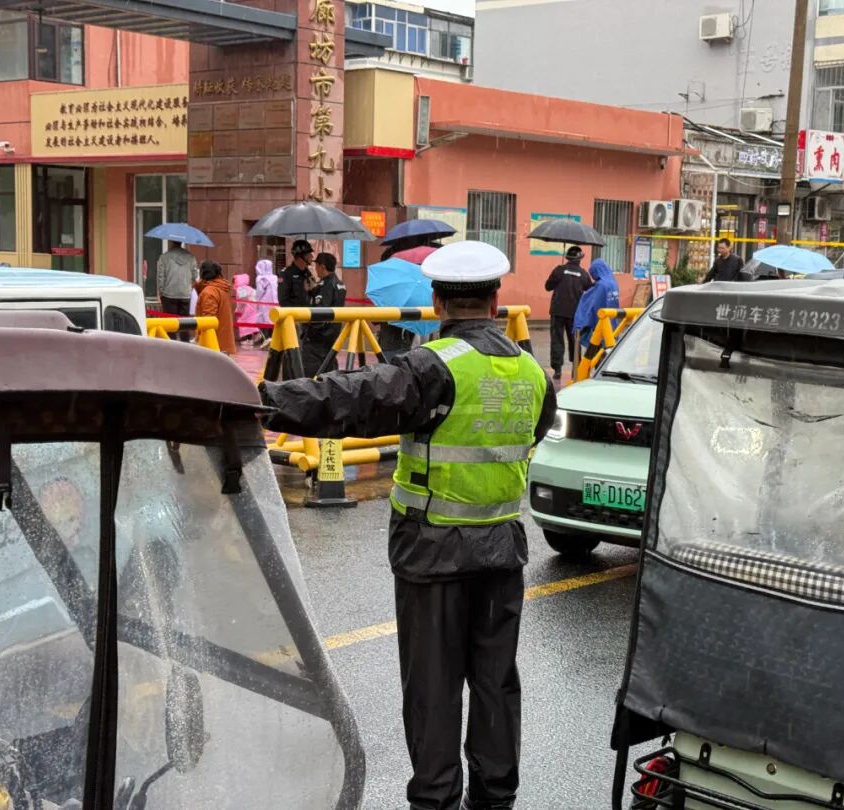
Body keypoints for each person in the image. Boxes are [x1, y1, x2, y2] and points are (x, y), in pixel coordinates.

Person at [259, 241, 557, 810]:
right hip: (501, 551)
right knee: (496, 684)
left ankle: (436, 801)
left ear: (438, 301)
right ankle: (496, 798)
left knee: (433, 688)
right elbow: (529, 437)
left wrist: (261, 400)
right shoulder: (533, 373)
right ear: (496, 301)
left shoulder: (431, 367)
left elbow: (345, 399)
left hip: (433, 553)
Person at [544, 245, 593, 382]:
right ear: (580, 259)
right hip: (575, 314)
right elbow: (589, 291)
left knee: (557, 340)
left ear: (568, 258)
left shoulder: (559, 270)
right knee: (575, 341)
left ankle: (557, 369)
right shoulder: (583, 274)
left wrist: (557, 275)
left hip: (557, 311)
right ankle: (575, 369)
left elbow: (548, 287)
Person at [300, 252, 347, 376]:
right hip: (333, 335)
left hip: (319, 338)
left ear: (323, 266)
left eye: (316, 266)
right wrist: (313, 291)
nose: (315, 269)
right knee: (330, 370)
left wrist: (307, 327)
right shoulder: (340, 284)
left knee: (312, 375)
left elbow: (320, 312)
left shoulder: (326, 285)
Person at [573, 258, 621, 350]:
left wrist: (581, 323)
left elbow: (591, 304)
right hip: (613, 323)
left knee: (598, 354)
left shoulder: (601, 285)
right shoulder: (613, 282)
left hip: (601, 325)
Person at [156, 242, 199, 341]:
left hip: (168, 294)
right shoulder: (191, 257)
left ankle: (171, 345)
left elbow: (160, 277)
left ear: (171, 243)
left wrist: (161, 292)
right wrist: (189, 288)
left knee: (170, 324)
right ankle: (185, 344)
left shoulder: (164, 257)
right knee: (185, 324)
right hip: (185, 294)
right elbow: (195, 276)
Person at [194, 261, 237, 355]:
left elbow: (208, 320)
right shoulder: (221, 288)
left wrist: (199, 338)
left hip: (213, 343)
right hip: (223, 341)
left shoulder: (209, 292)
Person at [278, 239, 315, 309]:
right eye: (309, 254)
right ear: (301, 257)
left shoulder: (308, 273)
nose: (312, 257)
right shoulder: (286, 274)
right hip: (294, 316)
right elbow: (283, 301)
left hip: (308, 315)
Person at [254, 258, 278, 346]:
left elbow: (260, 291)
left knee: (263, 320)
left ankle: (266, 339)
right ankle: (273, 340)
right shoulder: (275, 278)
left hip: (264, 302)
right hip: (275, 302)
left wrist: (256, 300)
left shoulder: (260, 278)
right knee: (273, 320)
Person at [233, 273, 260, 346]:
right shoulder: (250, 288)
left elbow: (242, 300)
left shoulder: (240, 289)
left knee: (243, 324)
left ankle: (246, 339)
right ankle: (254, 337)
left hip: (245, 310)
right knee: (251, 323)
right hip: (253, 309)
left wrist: (238, 310)